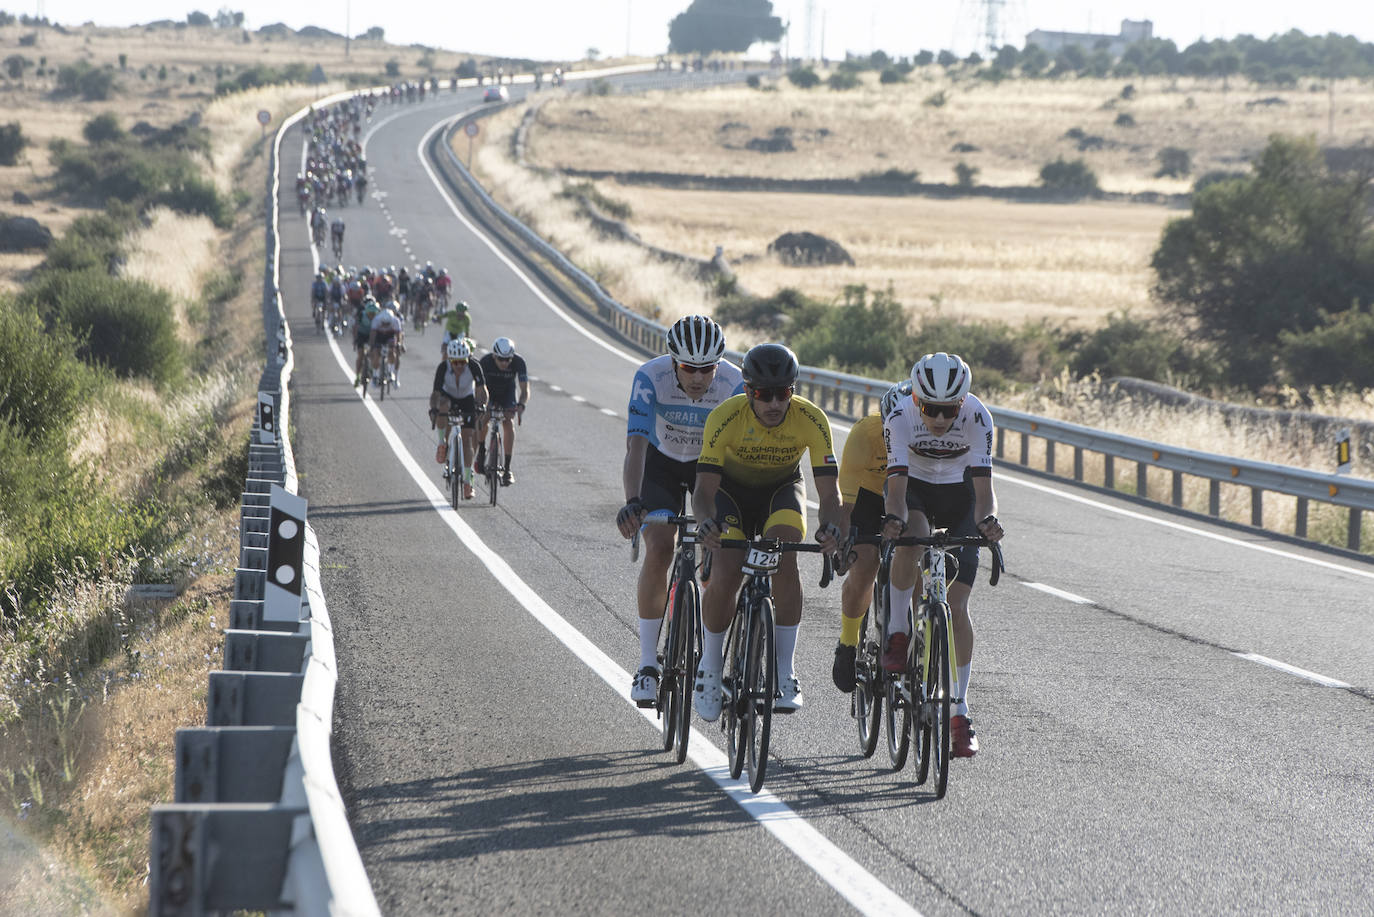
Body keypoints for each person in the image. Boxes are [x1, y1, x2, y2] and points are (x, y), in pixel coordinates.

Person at [690, 343, 843, 720]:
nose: (774, 403)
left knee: (785, 555)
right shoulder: (725, 417)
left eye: (783, 393)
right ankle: (710, 667)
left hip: (780, 490)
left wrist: (832, 526)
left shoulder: (811, 419)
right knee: (726, 568)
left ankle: (784, 671)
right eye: (763, 394)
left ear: (793, 390)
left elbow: (829, 492)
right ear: (747, 390)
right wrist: (708, 523)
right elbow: (704, 491)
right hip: (731, 495)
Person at [880, 352, 1005, 758]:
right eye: (929, 408)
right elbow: (896, 492)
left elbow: (985, 496)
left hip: (960, 496)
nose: (937, 418)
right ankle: (899, 633)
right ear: (916, 400)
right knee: (912, 538)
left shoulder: (978, 418)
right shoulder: (899, 415)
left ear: (962, 403)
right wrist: (893, 522)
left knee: (958, 603)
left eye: (947, 410)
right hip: (914, 491)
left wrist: (988, 523)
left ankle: (959, 712)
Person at [615, 316, 743, 707]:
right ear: (673, 362)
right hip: (662, 464)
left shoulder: (735, 383)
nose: (699, 378)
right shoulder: (649, 377)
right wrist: (633, 501)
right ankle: (648, 665)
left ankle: (712, 658)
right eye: (689, 368)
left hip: (714, 467)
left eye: (708, 369)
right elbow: (636, 446)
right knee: (659, 549)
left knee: (723, 557)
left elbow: (741, 451)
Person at [831, 380, 909, 693]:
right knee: (864, 567)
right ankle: (848, 643)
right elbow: (845, 498)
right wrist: (843, 538)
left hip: (905, 497)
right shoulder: (864, 434)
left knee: (914, 562)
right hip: (866, 499)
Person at [430, 338, 487, 501]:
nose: (459, 366)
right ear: (450, 360)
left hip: (466, 399)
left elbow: (482, 391)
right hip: (449, 398)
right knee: (442, 406)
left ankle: (468, 481)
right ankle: (442, 443)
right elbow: (435, 394)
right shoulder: (443, 368)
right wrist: (433, 409)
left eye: (463, 362)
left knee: (468, 439)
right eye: (456, 363)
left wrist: (482, 405)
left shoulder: (474, 366)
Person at [475, 336, 530, 486]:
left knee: (508, 423)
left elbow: (525, 390)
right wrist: (480, 405)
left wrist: (521, 405)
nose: (505, 363)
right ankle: (481, 450)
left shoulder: (519, 362)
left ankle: (507, 468)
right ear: (494, 355)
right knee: (483, 418)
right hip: (489, 392)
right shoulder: (485, 362)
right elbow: (479, 388)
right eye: (501, 359)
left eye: (508, 359)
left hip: (507, 393)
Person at [368, 299, 405, 384]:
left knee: (392, 351)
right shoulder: (376, 320)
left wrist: (398, 344)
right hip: (379, 335)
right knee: (376, 354)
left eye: (387, 324)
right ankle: (375, 375)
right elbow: (373, 335)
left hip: (390, 335)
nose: (385, 325)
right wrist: (372, 346)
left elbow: (398, 335)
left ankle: (390, 371)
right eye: (383, 324)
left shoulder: (396, 321)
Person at [353, 297, 379, 386]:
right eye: (370, 313)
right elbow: (356, 327)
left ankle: (371, 368)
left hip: (372, 335)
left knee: (373, 353)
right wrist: (355, 340)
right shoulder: (361, 315)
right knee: (360, 355)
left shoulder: (378, 316)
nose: (372, 315)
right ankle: (357, 375)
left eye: (373, 314)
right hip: (362, 335)